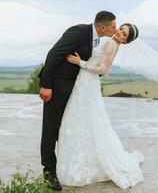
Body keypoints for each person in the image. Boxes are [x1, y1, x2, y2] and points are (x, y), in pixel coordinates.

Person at [56, 23, 143, 190]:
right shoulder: (111, 43)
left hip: (87, 82)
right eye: (121, 29)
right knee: (84, 120)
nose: (119, 32)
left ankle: (77, 165)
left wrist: (80, 62)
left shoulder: (111, 44)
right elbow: (105, 72)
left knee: (78, 119)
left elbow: (103, 68)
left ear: (125, 41)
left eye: (123, 34)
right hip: (86, 82)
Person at [38, 11, 117, 191]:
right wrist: (46, 84)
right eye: (113, 26)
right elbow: (54, 54)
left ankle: (62, 165)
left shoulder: (98, 39)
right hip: (57, 87)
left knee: (66, 128)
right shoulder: (79, 31)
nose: (115, 29)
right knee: (51, 127)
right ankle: (49, 172)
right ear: (102, 27)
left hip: (75, 89)